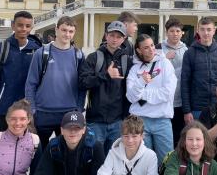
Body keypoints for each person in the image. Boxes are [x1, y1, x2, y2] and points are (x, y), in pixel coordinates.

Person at [25, 16, 86, 148]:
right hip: (43, 113)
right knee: (39, 152)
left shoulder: (79, 55)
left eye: (71, 31)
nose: (67, 34)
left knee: (65, 154)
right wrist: (32, 109)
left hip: (69, 113)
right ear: (56, 30)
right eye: (64, 30)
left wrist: (79, 108)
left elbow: (82, 86)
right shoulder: (42, 53)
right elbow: (31, 84)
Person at [79, 21, 132, 154]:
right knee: (93, 160)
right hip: (95, 121)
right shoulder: (94, 57)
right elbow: (83, 82)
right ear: (106, 35)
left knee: (114, 160)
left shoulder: (126, 60)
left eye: (118, 37)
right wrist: (105, 75)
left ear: (124, 39)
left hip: (117, 122)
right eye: (112, 35)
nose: (114, 39)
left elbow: (129, 90)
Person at [0, 11, 41, 134]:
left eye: (27, 26)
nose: (24, 29)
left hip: (26, 110)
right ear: (13, 26)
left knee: (25, 150)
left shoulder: (37, 50)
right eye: (20, 25)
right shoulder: (0, 48)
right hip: (2, 109)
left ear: (32, 27)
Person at [127, 34, 177, 165]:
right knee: (143, 162)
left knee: (167, 161)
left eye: (152, 45)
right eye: (146, 47)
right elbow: (131, 97)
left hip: (162, 120)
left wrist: (143, 95)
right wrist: (140, 82)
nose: (151, 49)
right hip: (139, 121)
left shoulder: (165, 64)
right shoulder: (134, 69)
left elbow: (168, 93)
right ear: (139, 50)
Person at [181, 17, 217, 122]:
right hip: (196, 108)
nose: (205, 33)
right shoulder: (190, 53)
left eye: (209, 29)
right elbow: (185, 83)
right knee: (198, 138)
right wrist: (186, 110)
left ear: (214, 30)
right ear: (197, 31)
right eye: (202, 29)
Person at [157, 18, 188, 146]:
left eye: (177, 31)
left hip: (180, 100)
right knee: (163, 137)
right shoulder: (158, 49)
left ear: (182, 33)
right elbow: (152, 72)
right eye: (171, 31)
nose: (175, 34)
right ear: (166, 32)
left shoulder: (187, 50)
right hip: (163, 101)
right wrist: (164, 58)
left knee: (178, 135)